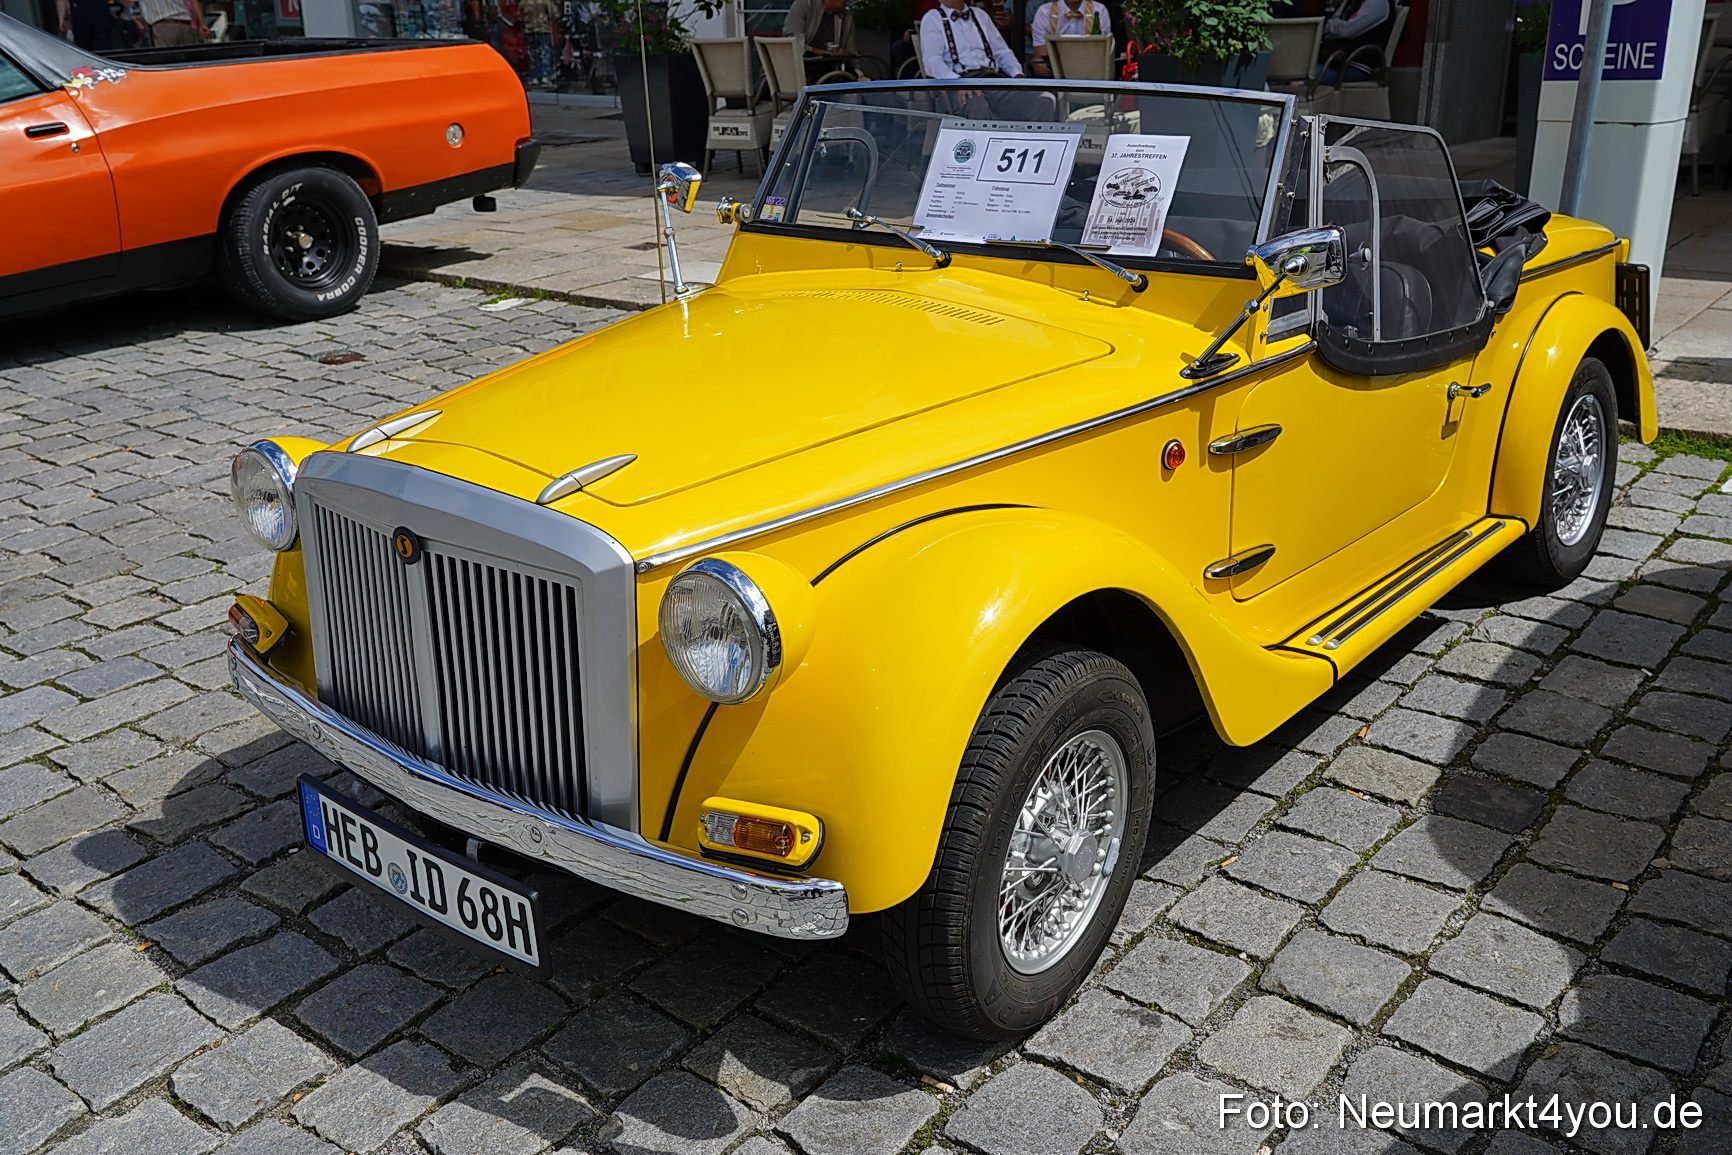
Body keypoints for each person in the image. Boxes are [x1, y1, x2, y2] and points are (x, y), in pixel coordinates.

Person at [1318, 0, 1395, 84]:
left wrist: (1334, 25)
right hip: (1335, 59)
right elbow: (1331, 22)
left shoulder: (1378, 2)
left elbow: (1345, 31)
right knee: (1303, 73)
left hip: (1356, 62)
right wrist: (1337, 24)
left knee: (1306, 81)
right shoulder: (1351, 2)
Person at [1027, 0, 1109, 78]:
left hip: (1090, 72)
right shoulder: (1044, 12)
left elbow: (1101, 57)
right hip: (1054, 75)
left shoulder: (1099, 10)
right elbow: (1041, 61)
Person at [784, 0, 856, 56]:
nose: (847, 3)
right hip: (802, 64)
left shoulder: (847, 16)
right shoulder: (804, 4)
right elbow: (792, 41)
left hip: (831, 69)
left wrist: (847, 55)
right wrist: (818, 52)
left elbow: (851, 50)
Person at [137, 0, 205, 45]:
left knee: (168, 60)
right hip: (186, 24)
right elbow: (194, 1)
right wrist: (202, 24)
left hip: (163, 26)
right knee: (190, 61)